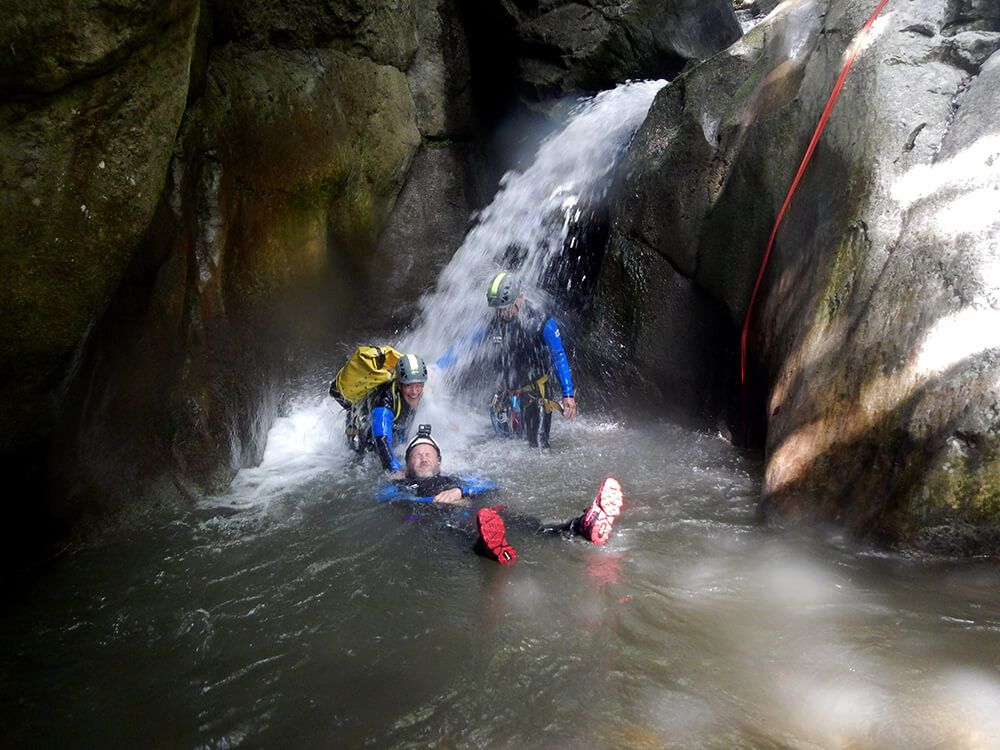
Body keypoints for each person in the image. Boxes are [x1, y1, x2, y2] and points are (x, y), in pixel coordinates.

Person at [377, 426, 624, 565]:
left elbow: (488, 483)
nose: (423, 457)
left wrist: (460, 491)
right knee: (453, 532)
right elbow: (382, 498)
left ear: (439, 462)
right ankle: (486, 548)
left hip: (476, 511)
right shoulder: (404, 486)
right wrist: (430, 500)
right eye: (416, 455)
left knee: (526, 523)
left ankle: (581, 526)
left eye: (428, 453)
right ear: (407, 464)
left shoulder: (454, 478)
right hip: (437, 518)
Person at [485, 271, 577, 448]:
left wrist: (568, 394)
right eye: (498, 309)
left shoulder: (541, 321)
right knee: (505, 447)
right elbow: (466, 343)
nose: (502, 313)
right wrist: (439, 367)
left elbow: (558, 356)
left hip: (536, 394)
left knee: (538, 448)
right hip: (507, 393)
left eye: (506, 307)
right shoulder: (493, 321)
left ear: (519, 298)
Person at [335, 353, 428, 477]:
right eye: (408, 386)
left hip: (390, 425)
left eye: (419, 385)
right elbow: (381, 439)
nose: (414, 391)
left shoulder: (423, 392)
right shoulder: (384, 404)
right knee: (359, 460)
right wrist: (395, 470)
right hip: (358, 426)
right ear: (400, 384)